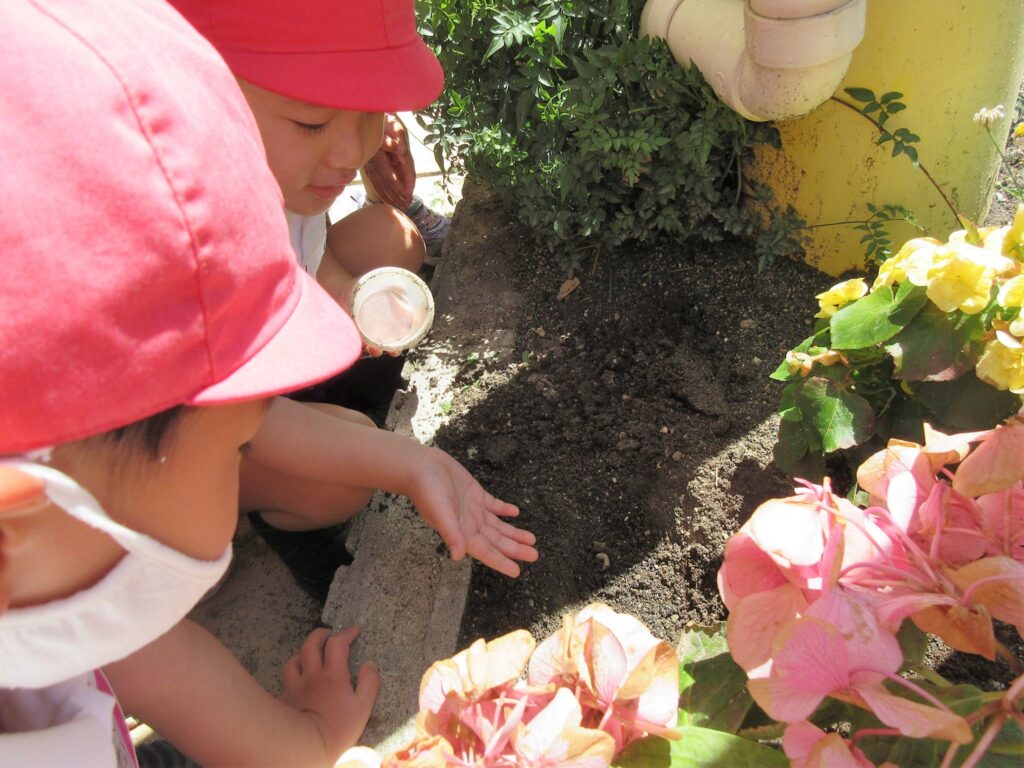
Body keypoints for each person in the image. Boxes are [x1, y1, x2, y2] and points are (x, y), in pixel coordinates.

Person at [0, 1, 535, 765]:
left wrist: (308, 740)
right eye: (230, 451)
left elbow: (155, 656)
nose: (346, 149)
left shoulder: (54, 570)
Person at [163, 0, 538, 580]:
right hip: (187, 430)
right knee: (342, 484)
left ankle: (328, 395)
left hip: (259, 341)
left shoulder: (271, 163)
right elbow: (245, 417)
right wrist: (410, 464)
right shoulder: (190, 236)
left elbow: (307, 256)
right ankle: (274, 515)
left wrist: (346, 299)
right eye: (313, 122)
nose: (348, 153)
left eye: (369, 114)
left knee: (392, 237)